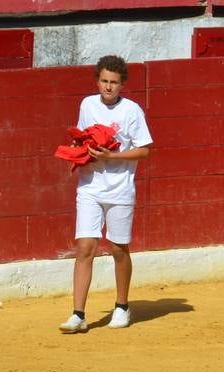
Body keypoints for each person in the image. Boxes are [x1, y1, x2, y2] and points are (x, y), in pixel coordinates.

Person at [59, 55, 152, 334]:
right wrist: (77, 149)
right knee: (85, 246)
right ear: (97, 81)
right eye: (104, 81)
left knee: (117, 248)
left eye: (113, 82)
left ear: (122, 84)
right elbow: (83, 137)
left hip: (121, 187)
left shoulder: (132, 111)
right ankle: (78, 314)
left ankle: (122, 306)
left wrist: (112, 156)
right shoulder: (87, 104)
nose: (108, 87)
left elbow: (145, 149)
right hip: (90, 186)